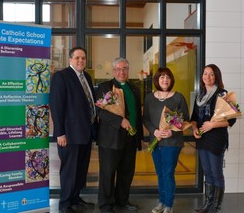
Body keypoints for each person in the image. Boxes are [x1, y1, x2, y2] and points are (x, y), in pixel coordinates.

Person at [49, 46, 97, 213]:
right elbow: (56, 107)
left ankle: (75, 198)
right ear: (70, 59)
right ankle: (64, 204)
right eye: (77, 58)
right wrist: (60, 133)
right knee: (69, 171)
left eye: (83, 58)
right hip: (69, 135)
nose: (80, 60)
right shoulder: (61, 77)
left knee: (80, 170)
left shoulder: (87, 77)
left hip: (86, 133)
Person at [96, 57, 143, 213]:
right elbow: (100, 111)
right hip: (111, 140)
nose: (122, 72)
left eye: (125, 69)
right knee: (107, 174)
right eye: (119, 69)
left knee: (126, 173)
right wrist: (119, 120)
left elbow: (137, 114)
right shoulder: (105, 87)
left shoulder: (134, 89)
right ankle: (105, 205)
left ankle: (122, 201)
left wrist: (139, 138)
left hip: (130, 138)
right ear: (113, 70)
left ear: (128, 70)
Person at [190, 64, 236, 213]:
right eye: (205, 74)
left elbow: (231, 120)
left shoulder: (222, 94)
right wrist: (195, 128)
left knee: (216, 173)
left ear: (216, 76)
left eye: (211, 74)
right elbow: (194, 118)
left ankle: (216, 207)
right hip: (202, 139)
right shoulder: (200, 94)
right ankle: (207, 204)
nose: (207, 77)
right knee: (207, 172)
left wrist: (213, 125)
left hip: (216, 139)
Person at [143, 67, 189, 213]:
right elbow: (146, 119)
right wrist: (154, 130)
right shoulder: (150, 97)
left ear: (171, 79)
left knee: (168, 173)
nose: (165, 80)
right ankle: (161, 201)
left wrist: (171, 132)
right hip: (155, 141)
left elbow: (184, 120)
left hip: (172, 142)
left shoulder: (178, 97)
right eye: (162, 77)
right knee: (160, 173)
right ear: (157, 79)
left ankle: (168, 204)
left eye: (168, 77)